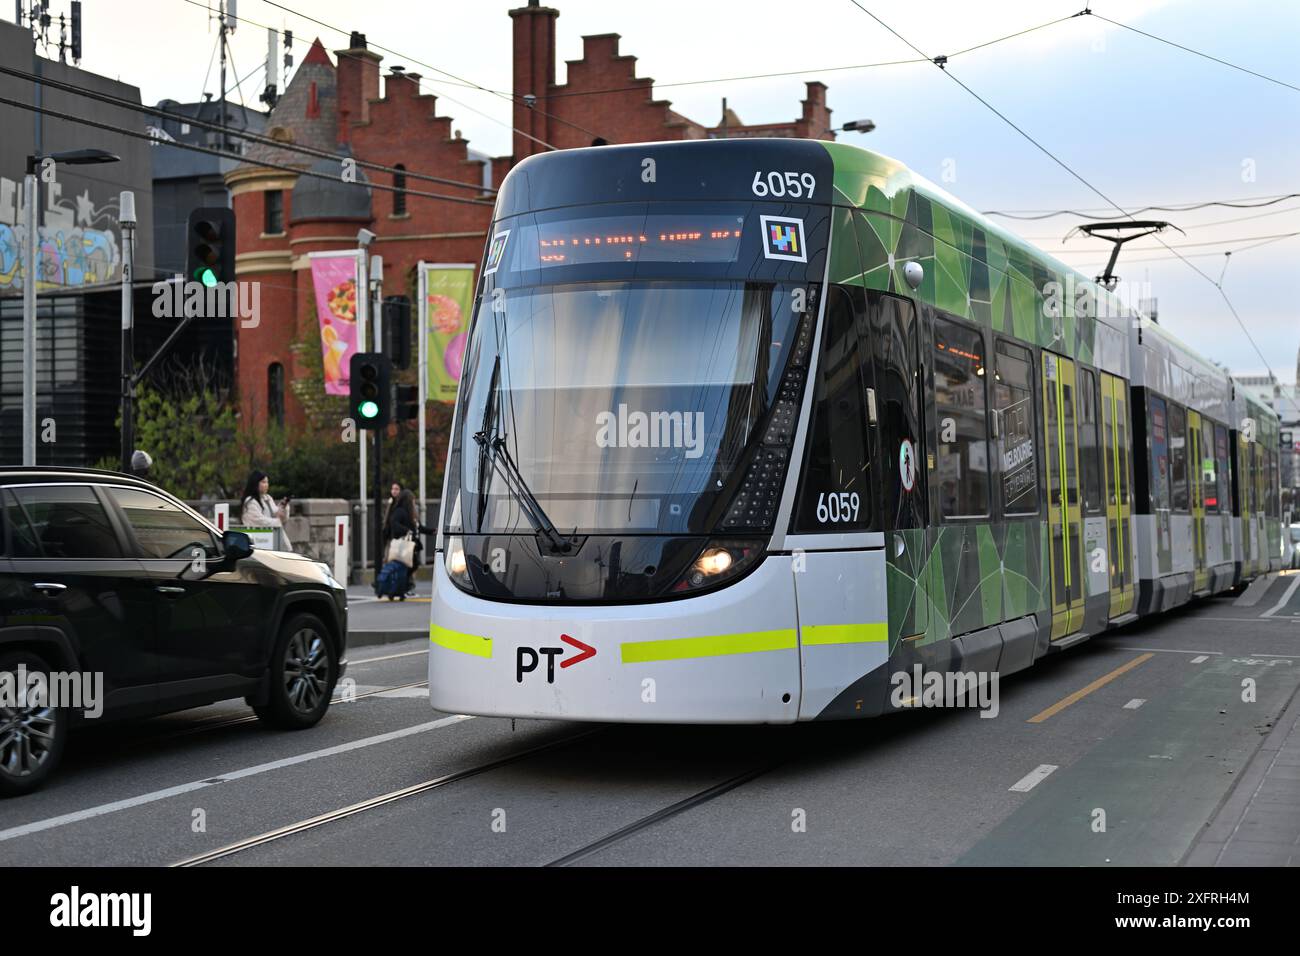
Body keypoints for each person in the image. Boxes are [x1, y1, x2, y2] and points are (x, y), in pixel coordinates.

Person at [240, 470, 293, 551]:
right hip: (261, 542)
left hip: (275, 540)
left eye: (267, 482)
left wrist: (283, 508)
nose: (266, 485)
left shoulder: (267, 498)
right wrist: (277, 521)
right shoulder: (250, 502)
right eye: (263, 482)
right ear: (255, 483)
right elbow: (258, 521)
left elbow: (278, 516)